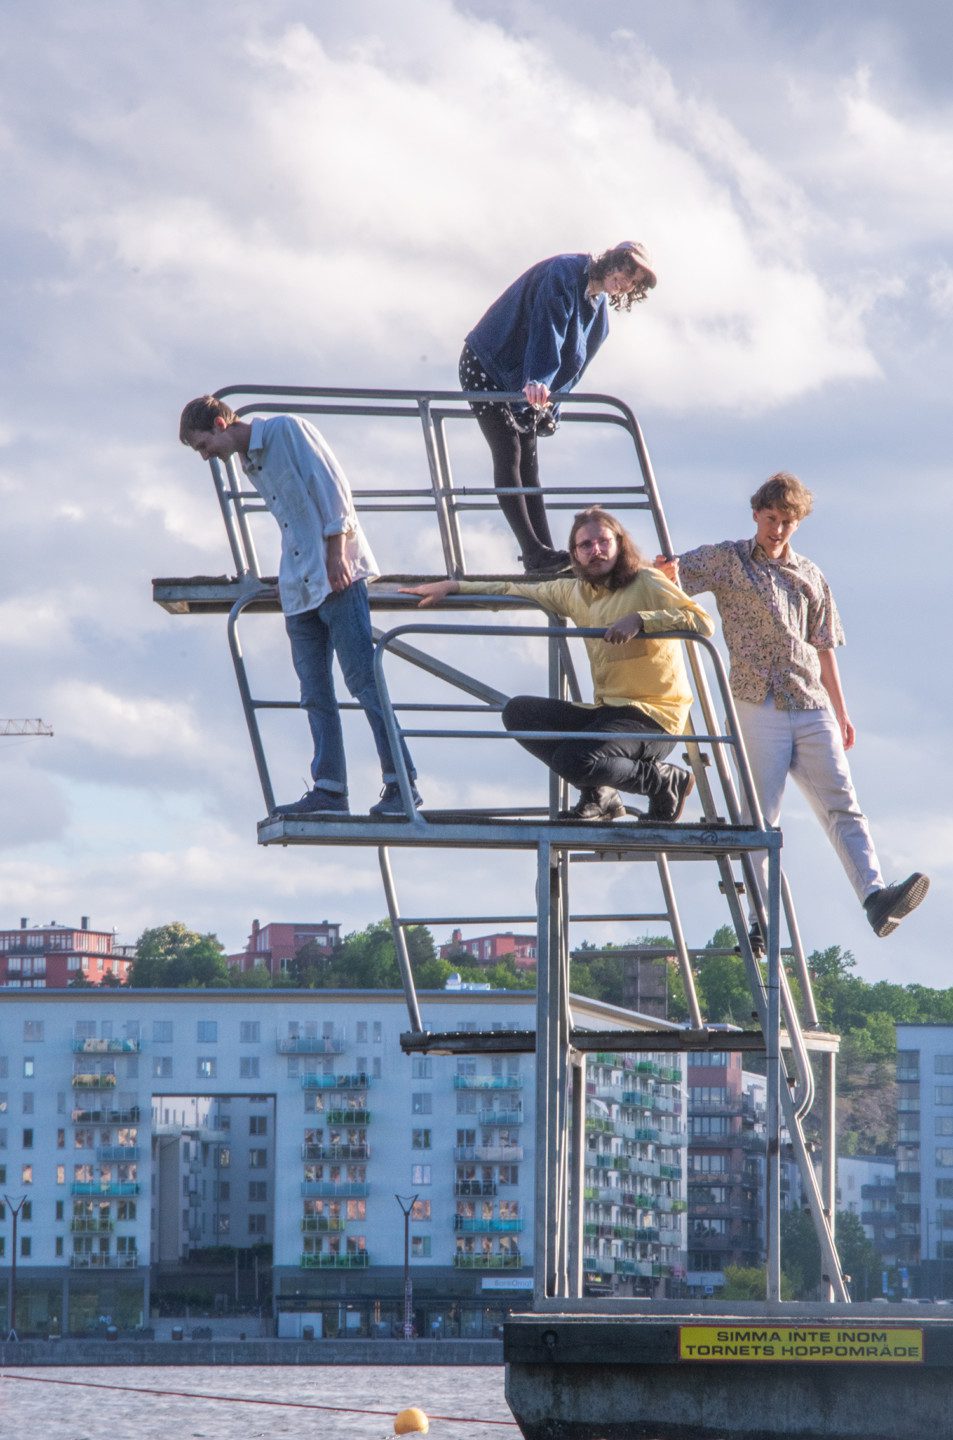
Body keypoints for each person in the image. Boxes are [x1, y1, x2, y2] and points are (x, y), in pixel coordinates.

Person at [655, 472, 928, 945]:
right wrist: (661, 572)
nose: (777, 529)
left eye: (786, 522)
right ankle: (761, 918)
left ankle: (875, 897)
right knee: (760, 818)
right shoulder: (727, 559)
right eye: (771, 518)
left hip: (809, 700)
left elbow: (824, 648)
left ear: (797, 525)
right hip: (755, 701)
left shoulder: (810, 575)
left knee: (842, 801)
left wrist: (841, 712)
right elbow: (674, 574)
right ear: (757, 515)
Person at [179, 396, 422, 818]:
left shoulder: (287, 431)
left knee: (363, 680)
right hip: (300, 587)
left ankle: (402, 784)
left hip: (336, 577)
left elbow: (333, 489)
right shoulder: (248, 463)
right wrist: (289, 573)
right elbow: (292, 520)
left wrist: (336, 553)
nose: (205, 457)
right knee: (313, 692)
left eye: (203, 446)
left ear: (220, 424)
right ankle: (329, 789)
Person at [404, 507, 713, 822]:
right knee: (518, 713)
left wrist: (641, 620)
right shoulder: (574, 592)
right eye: (586, 545)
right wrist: (454, 587)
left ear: (619, 544)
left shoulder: (646, 580)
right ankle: (601, 793)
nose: (596, 551)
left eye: (604, 542)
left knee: (576, 758)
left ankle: (662, 781)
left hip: (654, 718)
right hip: (608, 710)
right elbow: (511, 590)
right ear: (575, 555)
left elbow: (701, 621)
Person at [460, 243, 657, 575]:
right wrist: (537, 377)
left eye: (634, 283)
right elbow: (545, 328)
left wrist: (552, 407)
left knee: (530, 465)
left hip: (527, 387)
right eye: (626, 272)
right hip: (491, 366)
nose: (625, 283)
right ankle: (534, 553)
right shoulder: (564, 274)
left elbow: (573, 368)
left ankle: (545, 552)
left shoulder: (598, 317)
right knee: (509, 453)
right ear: (612, 262)